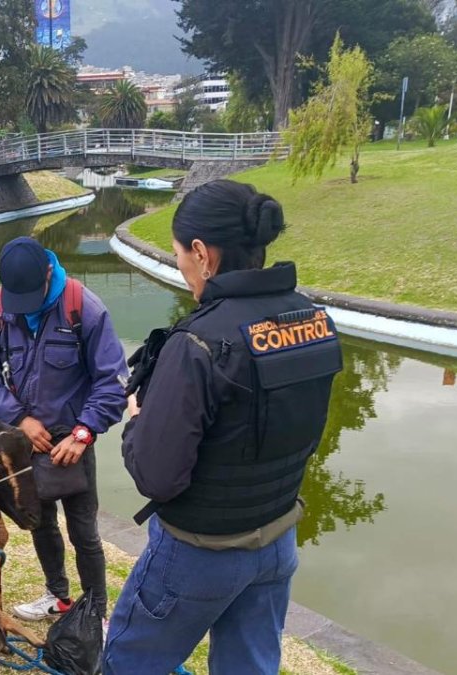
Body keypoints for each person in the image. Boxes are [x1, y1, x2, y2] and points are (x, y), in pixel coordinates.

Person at [104, 180, 343, 674]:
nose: (181, 268)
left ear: (201, 252)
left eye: (178, 255)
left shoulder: (200, 342)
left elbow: (157, 477)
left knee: (128, 664)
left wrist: (137, 421)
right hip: (277, 540)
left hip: (199, 551)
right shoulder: (315, 320)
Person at [0, 236, 127, 621]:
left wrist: (84, 431)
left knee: (84, 532)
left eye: (32, 297)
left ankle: (95, 614)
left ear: (49, 273)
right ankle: (58, 596)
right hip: (26, 441)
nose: (23, 308)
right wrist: (21, 419)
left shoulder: (82, 308)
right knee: (41, 524)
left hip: (74, 440)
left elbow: (113, 379)